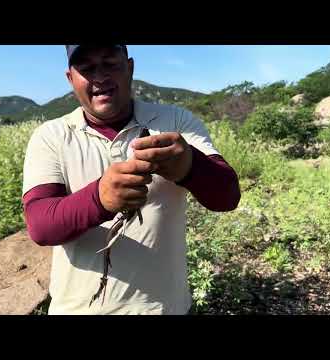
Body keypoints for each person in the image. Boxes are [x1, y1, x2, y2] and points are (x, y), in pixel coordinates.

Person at [22, 45, 241, 315]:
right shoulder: (51, 136)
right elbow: (40, 225)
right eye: (87, 69)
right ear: (70, 79)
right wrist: (99, 199)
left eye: (110, 62)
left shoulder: (176, 121)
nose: (100, 76)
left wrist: (191, 166)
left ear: (130, 67)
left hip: (164, 309)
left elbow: (228, 196)